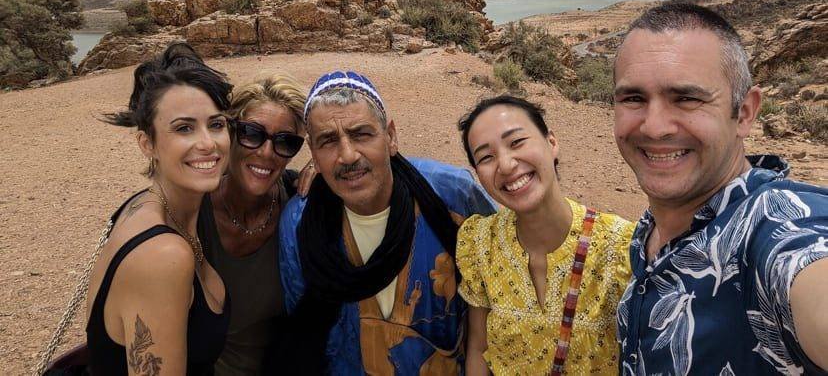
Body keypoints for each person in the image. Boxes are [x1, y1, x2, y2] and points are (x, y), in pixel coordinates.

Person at [613, 3, 828, 375]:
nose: (654, 127)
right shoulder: (652, 232)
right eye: (633, 98)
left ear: (744, 112)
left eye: (686, 98)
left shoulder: (775, 227)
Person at [278, 70, 496, 374]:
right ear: (313, 153)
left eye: (361, 134)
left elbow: (505, 285)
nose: (347, 155)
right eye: (328, 141)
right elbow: (306, 334)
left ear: (390, 137)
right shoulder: (299, 224)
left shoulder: (451, 198)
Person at [456, 95, 634, 375]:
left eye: (516, 142)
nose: (505, 164)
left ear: (551, 142)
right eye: (486, 157)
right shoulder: (480, 243)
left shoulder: (621, 247)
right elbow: (478, 348)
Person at [87, 42, 232, 375]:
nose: (208, 143)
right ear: (147, 143)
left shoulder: (144, 204)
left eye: (216, 124)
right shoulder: (163, 255)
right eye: (183, 128)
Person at [197, 73, 312, 375]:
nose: (266, 152)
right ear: (229, 132)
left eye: (286, 142)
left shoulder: (297, 206)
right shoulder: (193, 214)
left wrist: (328, 174)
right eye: (252, 133)